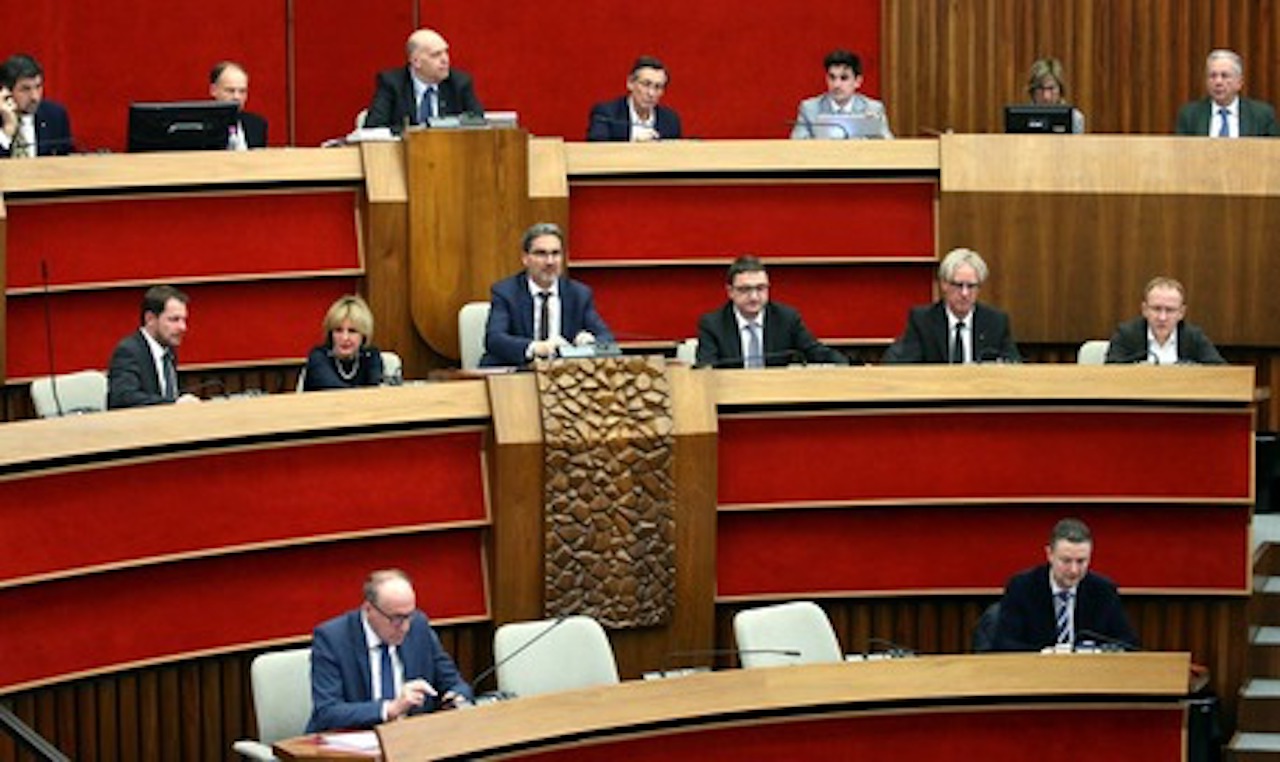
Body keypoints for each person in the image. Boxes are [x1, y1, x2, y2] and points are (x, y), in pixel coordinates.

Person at [307, 569, 472, 733]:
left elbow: (455, 683)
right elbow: (327, 712)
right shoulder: (333, 638)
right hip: (352, 740)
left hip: (410, 739)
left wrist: (455, 699)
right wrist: (390, 709)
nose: (405, 627)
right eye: (396, 619)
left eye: (409, 616)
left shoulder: (418, 627)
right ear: (368, 609)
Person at [993, 518, 1138, 652]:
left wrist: (1096, 652)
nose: (1074, 570)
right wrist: (1045, 654)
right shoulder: (1022, 587)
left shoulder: (1103, 590)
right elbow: (1004, 644)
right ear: (1050, 554)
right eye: (1066, 561)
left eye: (1081, 561)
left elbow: (1128, 643)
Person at [481, 222, 613, 367]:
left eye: (555, 253)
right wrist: (536, 347)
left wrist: (590, 343)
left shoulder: (579, 294)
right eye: (541, 254)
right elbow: (494, 339)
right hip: (518, 371)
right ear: (525, 258)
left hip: (562, 375)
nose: (550, 262)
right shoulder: (506, 292)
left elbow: (607, 341)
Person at [696, 255, 847, 368]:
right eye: (745, 289)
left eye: (760, 288)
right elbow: (706, 369)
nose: (754, 297)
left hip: (777, 396)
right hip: (730, 398)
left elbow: (816, 352)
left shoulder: (786, 319)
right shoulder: (713, 324)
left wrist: (846, 366)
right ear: (730, 291)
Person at [883, 248, 1020, 364]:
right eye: (958, 285)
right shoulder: (923, 321)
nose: (965, 293)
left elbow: (1014, 365)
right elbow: (901, 363)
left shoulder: (995, 322)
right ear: (944, 285)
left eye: (971, 286)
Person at [364, 28, 483, 133]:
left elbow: (478, 123)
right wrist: (415, 133)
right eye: (436, 55)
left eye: (446, 52)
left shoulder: (459, 83)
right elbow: (374, 128)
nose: (445, 60)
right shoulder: (392, 84)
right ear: (416, 61)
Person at [107, 285, 201, 409]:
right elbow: (124, 398)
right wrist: (173, 404)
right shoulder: (129, 351)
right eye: (174, 320)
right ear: (150, 319)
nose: (183, 327)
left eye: (184, 320)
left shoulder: (168, 351)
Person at [1104, 276, 1225, 365]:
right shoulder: (1127, 335)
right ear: (1145, 310)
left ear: (1181, 313)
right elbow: (1110, 372)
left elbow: (1219, 371)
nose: (1162, 317)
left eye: (1170, 310)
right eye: (1156, 309)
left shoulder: (1193, 337)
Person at [790, 49, 893, 140]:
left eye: (844, 78)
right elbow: (797, 145)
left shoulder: (873, 109)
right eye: (832, 77)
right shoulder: (809, 109)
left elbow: (887, 145)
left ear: (858, 81)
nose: (836, 85)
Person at [1175, 49, 1277, 137]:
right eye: (1212, 76)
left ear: (1239, 82)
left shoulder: (1262, 115)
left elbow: (1273, 150)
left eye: (1225, 76)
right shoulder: (1190, 115)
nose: (1218, 82)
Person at [586, 56, 681, 142]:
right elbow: (596, 151)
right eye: (646, 84)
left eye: (658, 87)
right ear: (630, 83)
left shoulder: (670, 120)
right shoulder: (607, 115)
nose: (651, 93)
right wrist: (633, 144)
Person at [303, 295, 385, 390]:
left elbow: (376, 390)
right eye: (338, 330)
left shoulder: (371, 355)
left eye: (352, 331)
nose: (345, 338)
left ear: (363, 335)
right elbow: (336, 391)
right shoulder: (318, 357)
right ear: (330, 334)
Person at [0, 54, 72, 158]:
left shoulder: (55, 116)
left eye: (38, 87)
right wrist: (7, 129)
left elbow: (67, 160)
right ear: (6, 91)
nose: (35, 97)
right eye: (25, 89)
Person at [209, 61, 267, 149]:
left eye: (242, 91)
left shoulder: (257, 125)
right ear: (213, 90)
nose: (237, 97)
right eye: (230, 91)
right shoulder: (201, 126)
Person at [1026, 57, 1085, 134]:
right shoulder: (1021, 118)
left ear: (1060, 90)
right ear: (1032, 91)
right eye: (1040, 88)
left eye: (1051, 89)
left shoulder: (1074, 118)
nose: (1046, 96)